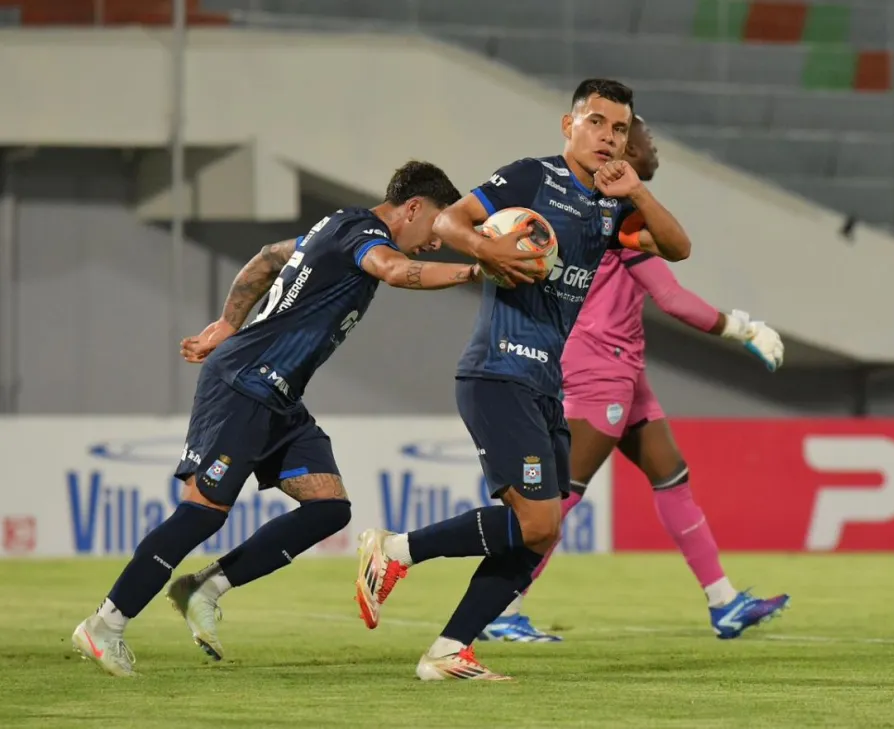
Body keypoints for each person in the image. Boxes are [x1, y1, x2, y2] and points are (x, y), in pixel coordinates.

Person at [70, 160, 511, 678]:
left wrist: (225, 323)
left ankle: (204, 588)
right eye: (436, 226)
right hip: (245, 383)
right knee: (202, 512)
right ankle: (106, 623)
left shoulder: (334, 228)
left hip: (279, 397)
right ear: (413, 208)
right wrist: (478, 269)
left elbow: (265, 259)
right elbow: (393, 271)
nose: (437, 241)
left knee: (328, 508)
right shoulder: (366, 234)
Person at [354, 79, 693, 681]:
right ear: (570, 126)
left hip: (544, 383)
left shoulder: (613, 206)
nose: (608, 138)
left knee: (539, 533)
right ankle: (394, 549)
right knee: (541, 522)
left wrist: (636, 189)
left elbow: (678, 246)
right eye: (596, 123)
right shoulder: (530, 177)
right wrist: (489, 251)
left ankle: (450, 650)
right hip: (497, 370)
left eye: (619, 129)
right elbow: (452, 221)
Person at [480, 116, 790, 644]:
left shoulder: (622, 213)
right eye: (636, 136)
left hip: (626, 370)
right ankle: (500, 609)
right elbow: (672, 299)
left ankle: (724, 603)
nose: (645, 144)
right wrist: (744, 329)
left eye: (632, 132)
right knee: (557, 501)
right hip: (600, 369)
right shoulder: (613, 220)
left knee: (673, 477)